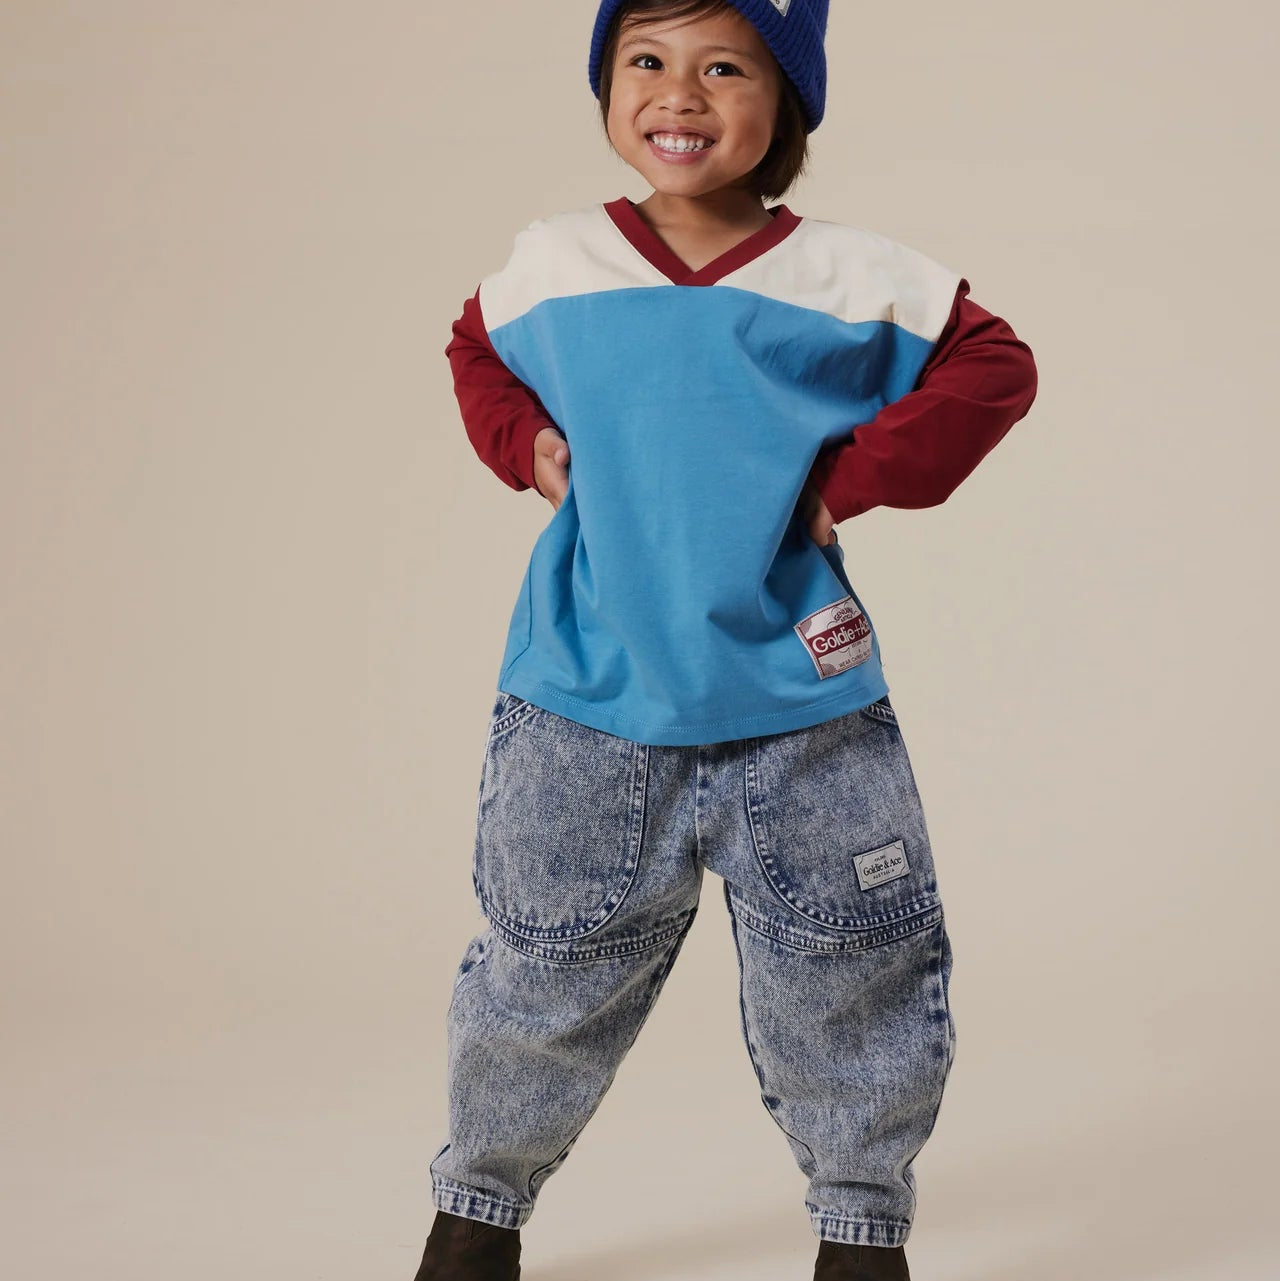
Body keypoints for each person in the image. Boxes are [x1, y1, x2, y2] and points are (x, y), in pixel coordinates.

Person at [412, 2, 1038, 1278]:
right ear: (606, 88)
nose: (678, 94)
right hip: (585, 701)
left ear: (785, 101)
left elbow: (993, 365)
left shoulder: (850, 279)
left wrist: (854, 478)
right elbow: (475, 349)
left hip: (801, 709)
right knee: (541, 979)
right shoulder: (555, 263)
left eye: (724, 68)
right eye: (644, 62)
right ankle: (475, 1216)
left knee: (850, 975)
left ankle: (859, 1230)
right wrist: (524, 443)